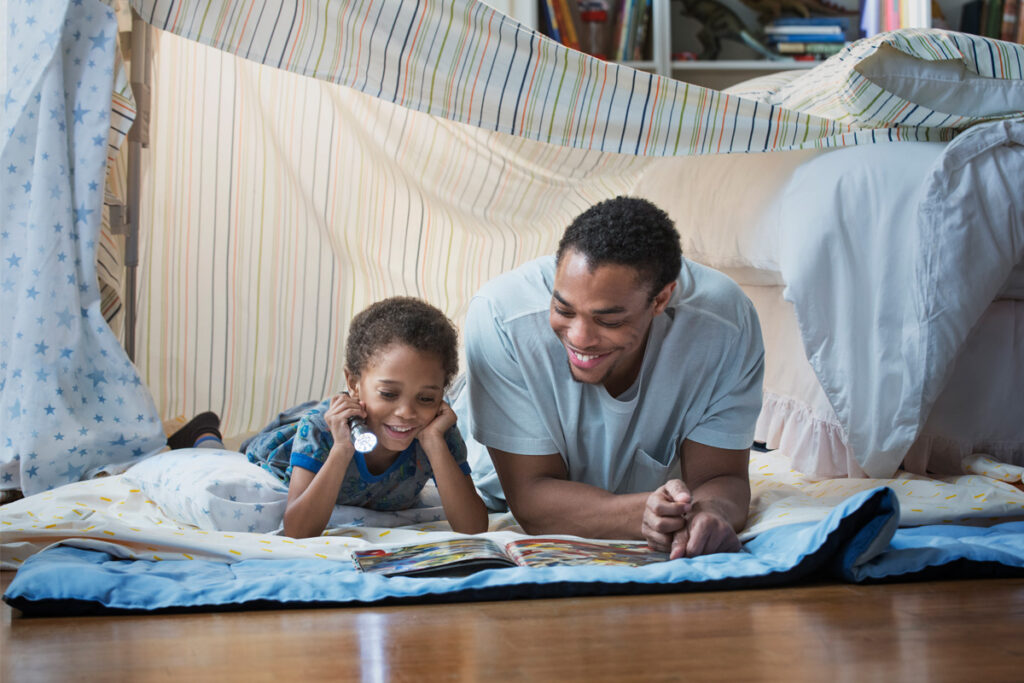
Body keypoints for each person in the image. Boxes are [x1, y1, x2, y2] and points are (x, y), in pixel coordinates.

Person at [452, 196, 764, 559]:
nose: (580, 338)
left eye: (609, 321)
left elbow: (721, 479)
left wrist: (709, 515)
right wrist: (644, 514)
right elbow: (531, 500)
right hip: (494, 482)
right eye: (563, 309)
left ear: (661, 300)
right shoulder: (501, 316)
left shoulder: (726, 324)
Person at [174, 297, 488, 538]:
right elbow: (297, 530)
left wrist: (433, 442)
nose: (406, 412)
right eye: (389, 394)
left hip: (352, 417)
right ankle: (203, 432)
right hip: (286, 443)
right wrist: (341, 449)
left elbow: (473, 528)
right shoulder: (322, 430)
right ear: (353, 382)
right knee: (218, 455)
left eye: (426, 398)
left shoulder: (437, 432)